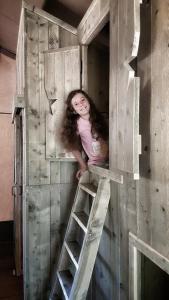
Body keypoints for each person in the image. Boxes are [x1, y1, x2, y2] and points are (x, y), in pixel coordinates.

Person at [61, 89, 109, 179]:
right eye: (76, 104)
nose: (81, 104)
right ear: (74, 110)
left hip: (112, 162)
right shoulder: (77, 124)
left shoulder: (103, 118)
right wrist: (83, 165)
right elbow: (72, 147)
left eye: (83, 100)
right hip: (95, 165)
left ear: (88, 100)